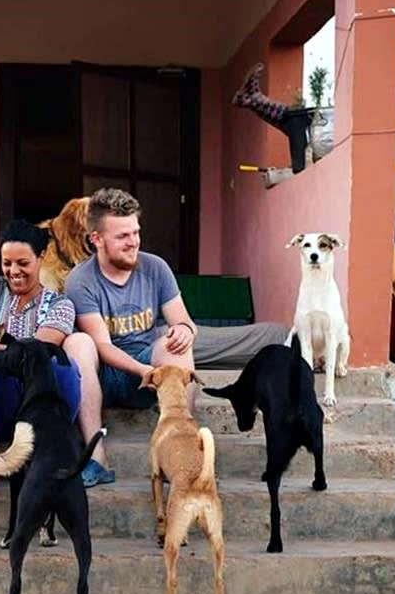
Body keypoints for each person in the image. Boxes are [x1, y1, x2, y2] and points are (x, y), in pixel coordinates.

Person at [63, 188, 288, 488]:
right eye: (123, 237)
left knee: (176, 344)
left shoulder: (155, 268)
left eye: (136, 232)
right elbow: (102, 346)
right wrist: (147, 372)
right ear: (96, 239)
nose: (134, 243)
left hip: (148, 373)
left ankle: (180, 451)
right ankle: (97, 457)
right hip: (104, 376)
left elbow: (184, 320)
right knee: (78, 343)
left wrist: (185, 330)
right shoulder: (81, 279)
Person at [0, 219, 81, 447]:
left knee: (64, 368)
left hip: (33, 400)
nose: (13, 271)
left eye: (23, 263)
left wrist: (1, 352)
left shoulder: (59, 305)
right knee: (0, 374)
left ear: (41, 258)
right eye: (7, 263)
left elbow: (36, 353)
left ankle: (51, 444)